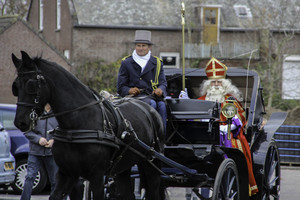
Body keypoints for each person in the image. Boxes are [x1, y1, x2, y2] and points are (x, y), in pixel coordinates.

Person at [197, 57, 258, 196]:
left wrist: (228, 127)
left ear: (224, 84)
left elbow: (241, 119)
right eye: (213, 82)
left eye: (219, 82)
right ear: (208, 84)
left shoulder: (231, 100)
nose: (216, 85)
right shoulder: (200, 101)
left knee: (236, 145)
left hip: (229, 135)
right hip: (204, 138)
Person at [117, 30, 167, 130]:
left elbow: (163, 83)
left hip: (152, 96)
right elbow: (120, 87)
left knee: (162, 106)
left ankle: (162, 137)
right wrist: (129, 90)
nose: (140, 48)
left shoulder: (157, 62)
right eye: (138, 45)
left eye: (143, 46)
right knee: (151, 104)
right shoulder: (126, 62)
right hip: (134, 98)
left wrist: (160, 90)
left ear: (149, 47)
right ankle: (149, 136)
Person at [20, 104, 59, 200]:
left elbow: (63, 130)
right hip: (35, 152)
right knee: (29, 177)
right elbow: (27, 130)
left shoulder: (58, 113)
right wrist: (38, 139)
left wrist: (54, 140)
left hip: (52, 153)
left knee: (55, 181)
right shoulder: (34, 113)